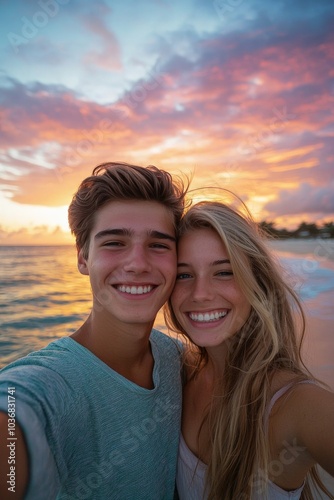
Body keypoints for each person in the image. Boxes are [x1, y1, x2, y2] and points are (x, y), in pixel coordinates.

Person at [0, 162, 188, 500]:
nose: (137, 263)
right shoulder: (44, 387)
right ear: (83, 257)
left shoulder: (176, 358)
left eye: (158, 245)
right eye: (115, 242)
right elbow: (16, 405)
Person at [165, 198, 334, 500]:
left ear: (258, 282)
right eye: (184, 275)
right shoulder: (177, 372)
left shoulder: (298, 404)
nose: (200, 294)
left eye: (224, 272)